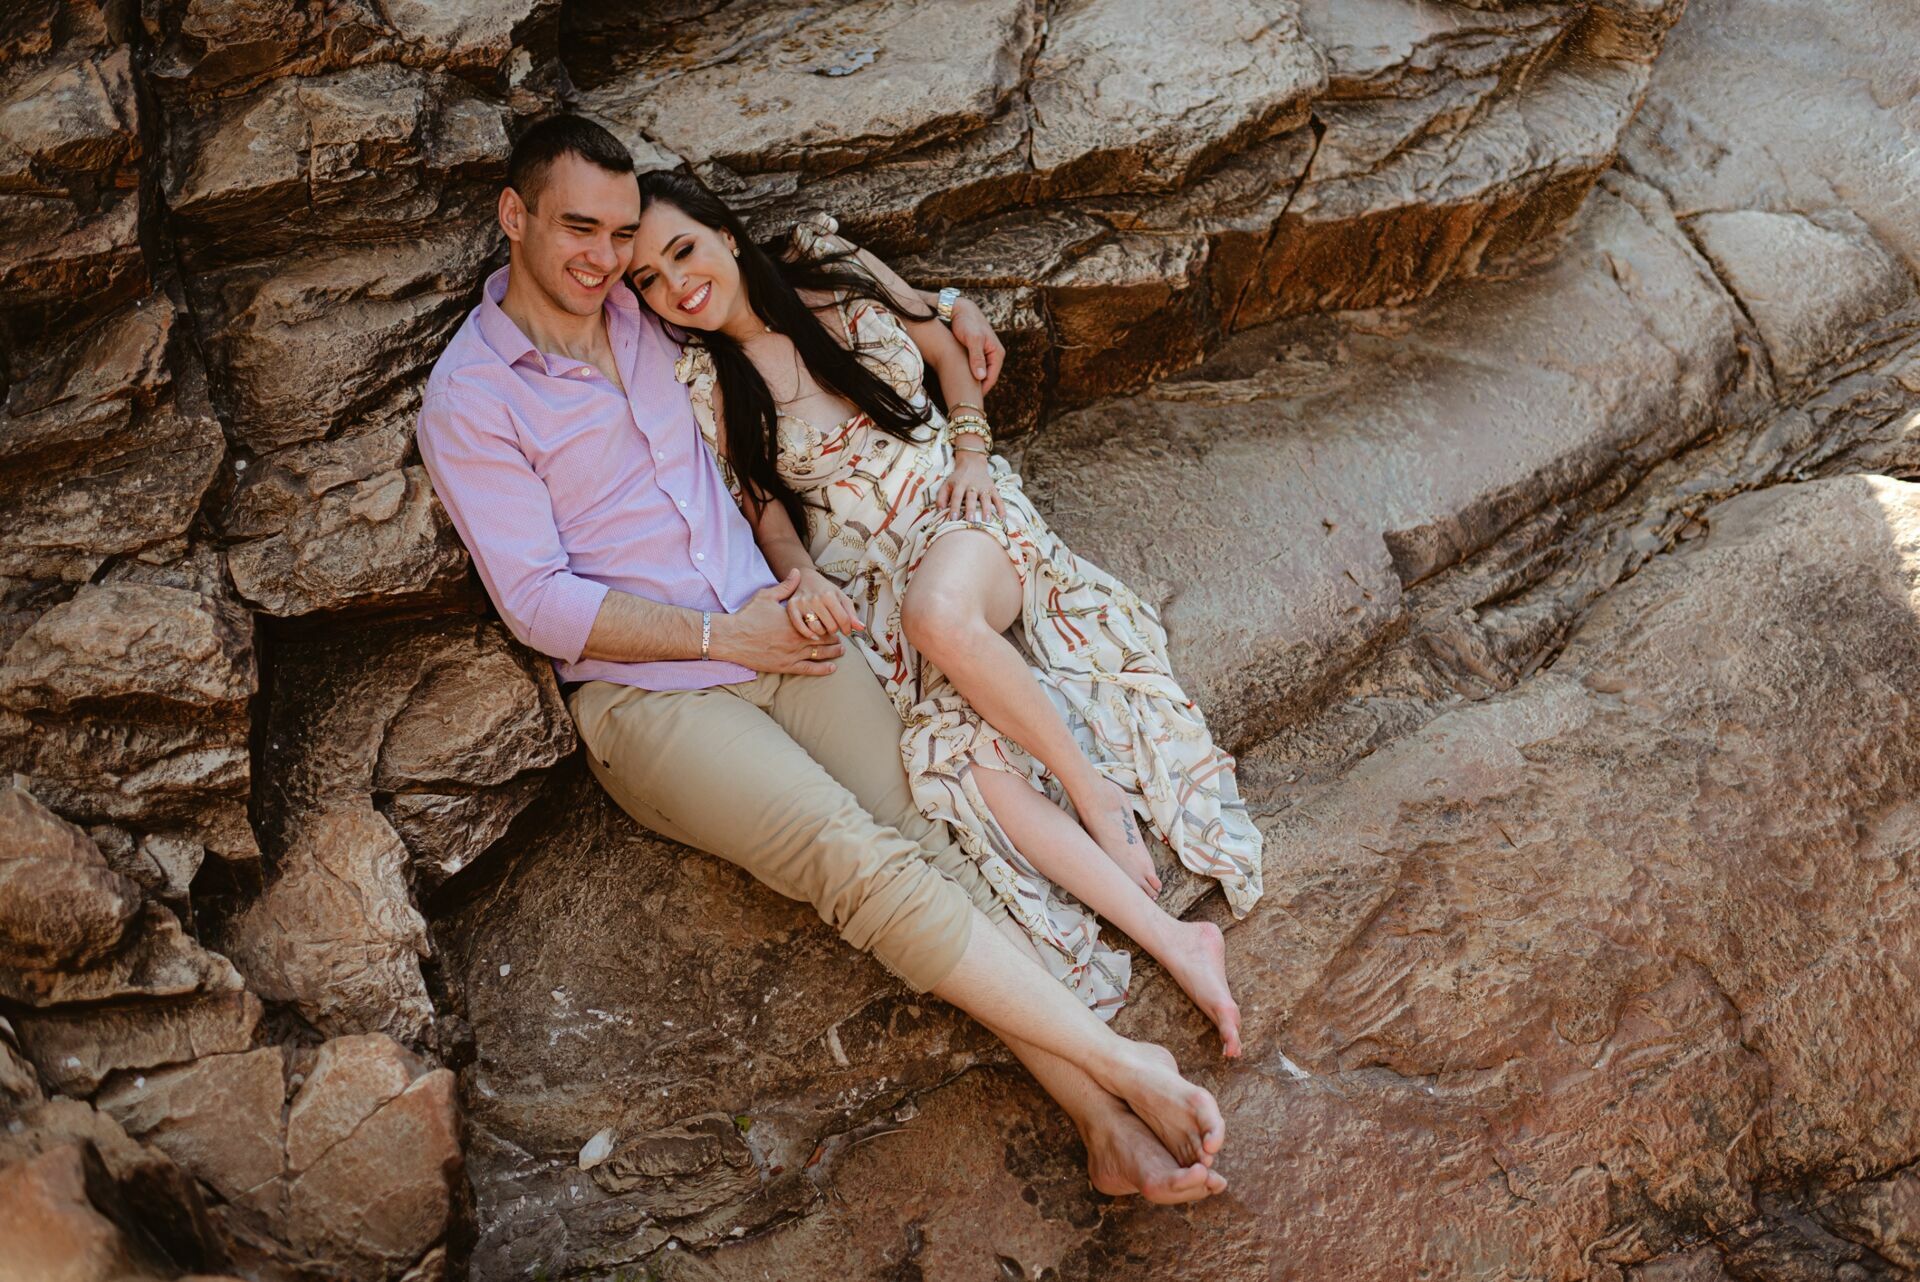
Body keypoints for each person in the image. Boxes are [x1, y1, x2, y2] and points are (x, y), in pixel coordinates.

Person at [415, 114, 1230, 1203]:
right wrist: (721, 636)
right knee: (854, 861)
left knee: (937, 830)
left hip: (784, 626)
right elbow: (539, 604)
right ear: (514, 218)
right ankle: (1122, 1066)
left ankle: (1103, 1128)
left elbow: (802, 293)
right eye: (579, 228)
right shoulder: (472, 397)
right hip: (648, 695)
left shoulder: (647, 312)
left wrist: (945, 315)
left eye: (619, 233)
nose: (605, 257)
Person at [623, 172, 1264, 1055]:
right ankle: (1177, 941)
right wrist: (803, 575)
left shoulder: (834, 273)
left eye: (680, 250)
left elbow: (944, 346)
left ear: (726, 235)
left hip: (959, 511)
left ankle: (1094, 792)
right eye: (647, 280)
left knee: (939, 613)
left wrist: (969, 445)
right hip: (871, 580)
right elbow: (763, 506)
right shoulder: (704, 382)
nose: (673, 283)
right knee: (966, 771)